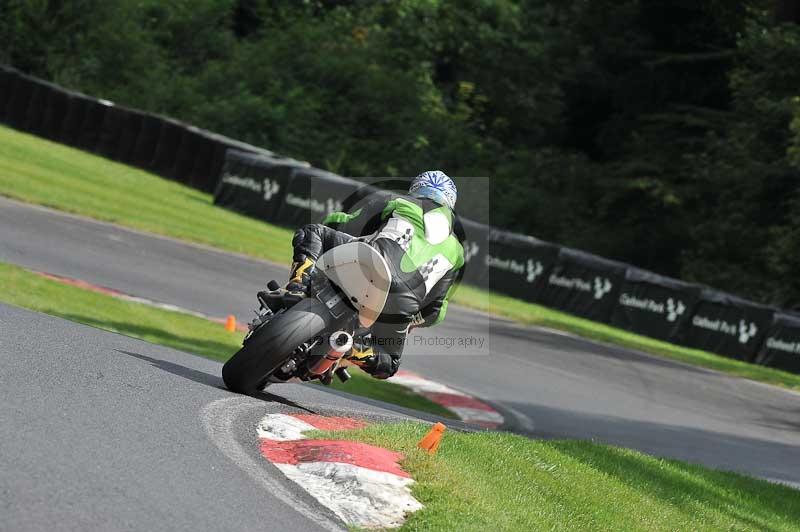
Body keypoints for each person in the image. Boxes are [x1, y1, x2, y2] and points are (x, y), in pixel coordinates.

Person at [286, 171, 464, 379]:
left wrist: (331, 223)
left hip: (373, 260)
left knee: (313, 232)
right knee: (389, 364)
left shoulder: (398, 200)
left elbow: (347, 223)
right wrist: (409, 321)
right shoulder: (457, 251)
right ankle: (350, 349)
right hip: (405, 300)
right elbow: (435, 311)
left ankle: (297, 286)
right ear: (450, 202)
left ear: (416, 189)